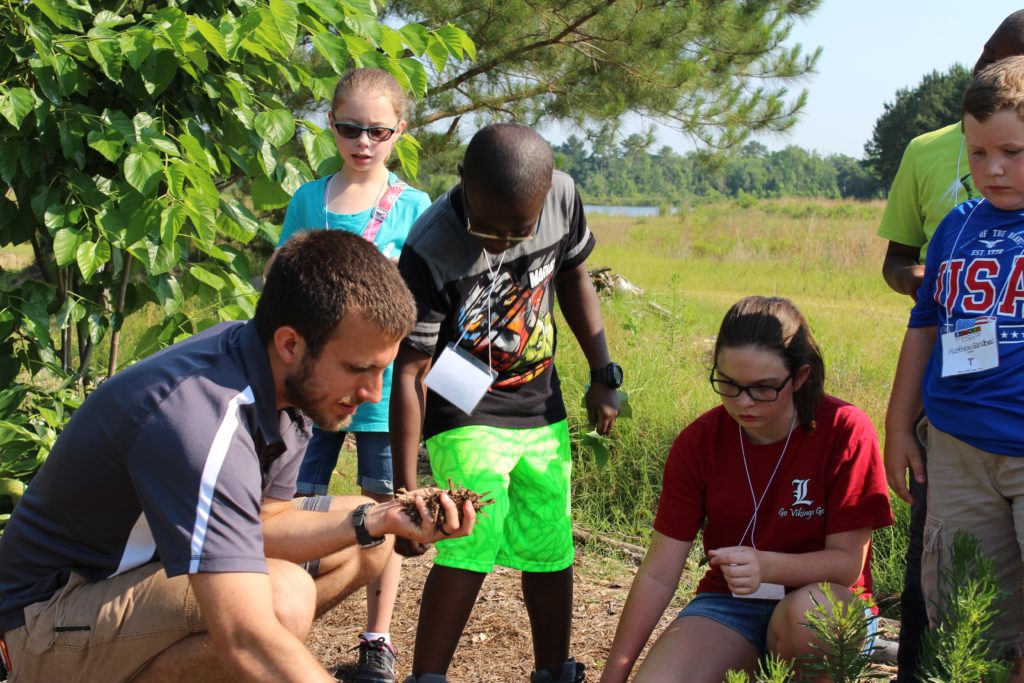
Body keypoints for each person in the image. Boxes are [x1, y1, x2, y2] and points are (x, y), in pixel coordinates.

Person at [0, 230, 476, 683]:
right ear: (291, 343)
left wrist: (384, 517)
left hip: (130, 585)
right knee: (279, 600)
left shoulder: (284, 380)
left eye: (381, 371)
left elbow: (267, 521)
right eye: (358, 369)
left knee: (369, 538)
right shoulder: (200, 416)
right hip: (40, 622)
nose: (373, 393)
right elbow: (244, 636)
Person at [391, 123, 621, 683]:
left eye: (517, 231)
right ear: (464, 182)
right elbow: (411, 370)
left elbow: (573, 278)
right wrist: (408, 497)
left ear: (544, 197)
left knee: (551, 539)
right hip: (460, 404)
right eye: (485, 227)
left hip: (540, 399)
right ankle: (429, 677)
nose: (499, 241)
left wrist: (602, 371)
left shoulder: (563, 198)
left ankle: (553, 670)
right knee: (472, 531)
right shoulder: (431, 246)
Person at [600, 296, 893, 683]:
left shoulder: (843, 430)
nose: (742, 403)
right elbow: (658, 573)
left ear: (800, 377)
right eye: (728, 384)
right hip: (731, 603)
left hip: (824, 603)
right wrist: (614, 674)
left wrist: (766, 566)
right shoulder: (699, 441)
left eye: (763, 388)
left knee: (809, 618)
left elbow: (845, 564)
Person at [877, 12, 1024, 680]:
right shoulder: (957, 227)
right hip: (958, 450)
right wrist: (898, 421)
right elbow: (925, 327)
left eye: (1012, 154)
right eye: (977, 153)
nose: (992, 170)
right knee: (966, 615)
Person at [277, 66, 432, 683]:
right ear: (331, 126)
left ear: (399, 132)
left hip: (383, 392)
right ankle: (285, 627)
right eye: (349, 128)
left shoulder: (415, 207)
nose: (362, 142)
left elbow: (424, 305)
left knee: (383, 506)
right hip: (312, 390)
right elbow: (283, 284)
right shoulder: (308, 200)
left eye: (377, 130)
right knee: (292, 504)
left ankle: (378, 639)